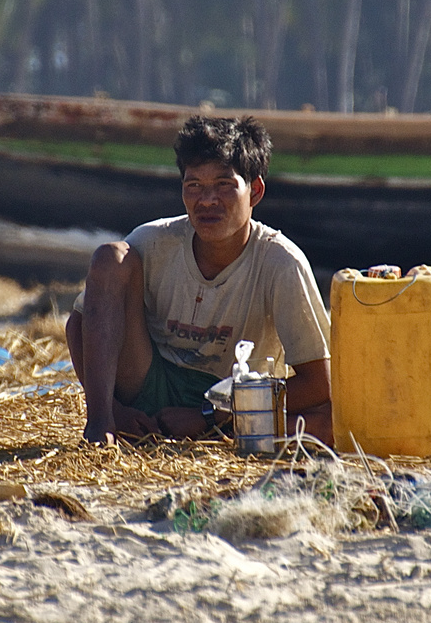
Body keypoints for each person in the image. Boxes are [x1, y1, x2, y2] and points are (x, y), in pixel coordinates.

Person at [64, 115, 331, 444]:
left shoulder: (281, 263)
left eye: (224, 185)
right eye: (194, 186)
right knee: (109, 256)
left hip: (237, 400)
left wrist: (210, 416)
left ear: (256, 191)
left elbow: (319, 384)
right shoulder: (153, 242)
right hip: (149, 384)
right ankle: (100, 430)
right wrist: (111, 412)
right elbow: (79, 325)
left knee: (332, 421)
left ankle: (221, 432)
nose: (207, 200)